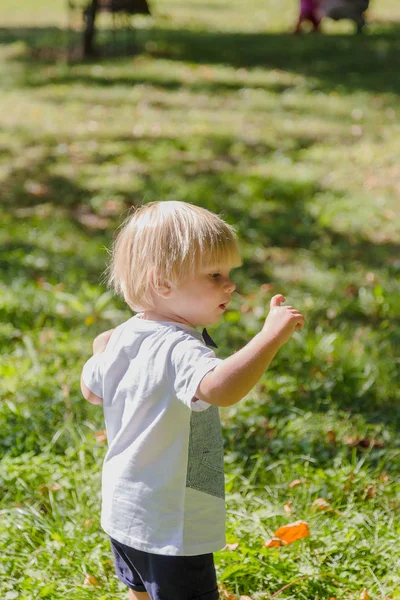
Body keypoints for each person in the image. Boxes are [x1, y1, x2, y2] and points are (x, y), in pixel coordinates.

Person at [80, 201, 305, 600]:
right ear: (163, 283)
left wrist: (102, 350)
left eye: (229, 274)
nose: (229, 285)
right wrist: (270, 337)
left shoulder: (121, 337)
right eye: (215, 275)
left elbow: (91, 390)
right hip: (173, 520)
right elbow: (221, 388)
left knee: (141, 591)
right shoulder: (178, 347)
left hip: (124, 508)